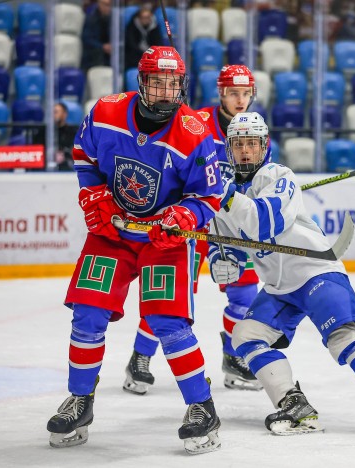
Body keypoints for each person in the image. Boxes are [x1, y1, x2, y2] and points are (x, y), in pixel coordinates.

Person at [46, 46, 224, 455]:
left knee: (167, 323)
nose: (165, 91)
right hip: (113, 232)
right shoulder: (106, 111)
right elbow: (83, 155)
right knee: (88, 313)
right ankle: (80, 401)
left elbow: (210, 193)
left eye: (173, 84)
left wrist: (183, 216)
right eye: (157, 83)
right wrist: (93, 196)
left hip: (164, 240)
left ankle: (202, 407)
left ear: (182, 86)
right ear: (141, 82)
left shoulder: (196, 132)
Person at [208, 111, 355, 437]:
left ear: (264, 146)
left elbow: (264, 223)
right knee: (246, 336)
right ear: (229, 148)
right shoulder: (222, 200)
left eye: (252, 143)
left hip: (316, 272)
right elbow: (227, 246)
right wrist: (221, 262)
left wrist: (226, 197)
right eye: (239, 144)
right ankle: (294, 405)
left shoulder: (278, 176)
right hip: (280, 287)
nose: (246, 151)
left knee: (343, 339)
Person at [123, 64, 263, 396]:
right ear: (221, 93)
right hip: (191, 220)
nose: (240, 100)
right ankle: (140, 358)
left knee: (245, 292)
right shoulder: (194, 123)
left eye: (245, 94)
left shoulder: (255, 131)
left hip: (227, 225)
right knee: (170, 295)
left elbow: (255, 179)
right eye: (233, 93)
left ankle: (233, 355)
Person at [125, 5, 163, 70]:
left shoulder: (155, 27)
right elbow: (131, 44)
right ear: (139, 17)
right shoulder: (132, 26)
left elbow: (158, 43)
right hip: (135, 57)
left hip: (151, 57)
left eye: (147, 17)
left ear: (151, 17)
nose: (145, 20)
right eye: (143, 17)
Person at [81, 0, 111, 71]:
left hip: (108, 58)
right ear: (99, 4)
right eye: (105, 5)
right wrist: (102, 46)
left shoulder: (113, 19)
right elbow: (86, 38)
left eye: (109, 5)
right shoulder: (91, 18)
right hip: (92, 57)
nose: (108, 8)